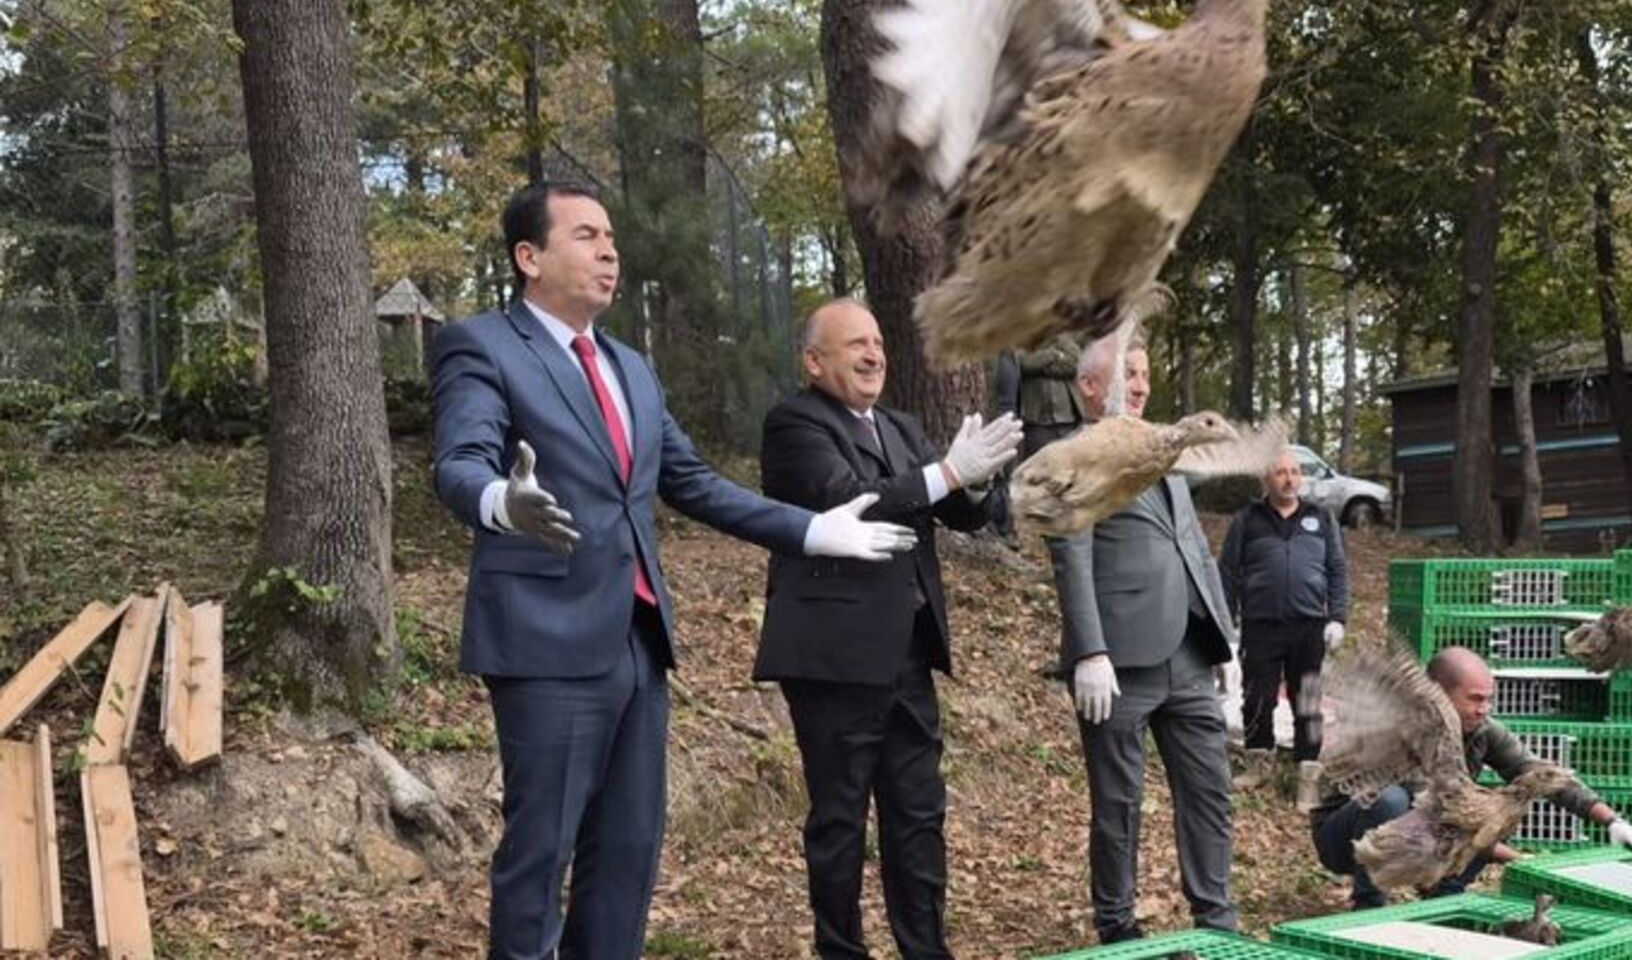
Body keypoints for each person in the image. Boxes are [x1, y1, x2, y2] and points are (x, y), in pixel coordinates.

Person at [430, 182, 917, 960]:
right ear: (529, 257)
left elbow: (694, 484)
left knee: (626, 856)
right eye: (585, 235)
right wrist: (499, 499)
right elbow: (459, 461)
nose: (609, 250)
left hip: (637, 639)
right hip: (543, 640)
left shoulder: (630, 367)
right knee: (540, 853)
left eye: (612, 236)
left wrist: (814, 531)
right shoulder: (481, 345)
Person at [755, 298, 1021, 960]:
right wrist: (947, 473)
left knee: (918, 817)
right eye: (856, 345)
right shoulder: (793, 424)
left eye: (878, 341)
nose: (875, 353)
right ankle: (841, 950)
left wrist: (979, 482)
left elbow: (958, 514)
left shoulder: (901, 427)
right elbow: (852, 498)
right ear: (815, 361)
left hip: (908, 652)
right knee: (841, 820)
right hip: (832, 659)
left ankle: (925, 950)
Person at [1045, 328, 1240, 944]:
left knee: (1210, 792)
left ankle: (1217, 919)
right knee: (1119, 805)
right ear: (1088, 386)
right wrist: (1089, 649)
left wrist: (1224, 638)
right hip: (1118, 662)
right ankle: (1118, 928)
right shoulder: (1076, 454)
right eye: (1127, 373)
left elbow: (1194, 547)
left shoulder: (1163, 448)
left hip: (1188, 652)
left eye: (1145, 374)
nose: (1140, 384)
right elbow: (1070, 553)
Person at [1310, 647, 1632, 909]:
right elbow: (1440, 819)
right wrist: (1528, 864)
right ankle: (1368, 906)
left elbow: (1535, 772)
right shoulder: (1404, 731)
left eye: (1489, 700)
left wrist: (1612, 821)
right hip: (1348, 839)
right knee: (1395, 801)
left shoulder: (1482, 730)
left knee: (1495, 813)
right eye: (1475, 699)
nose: (1484, 708)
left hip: (1419, 842)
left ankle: (1444, 902)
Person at [1219, 449, 1347, 810]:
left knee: (1307, 700)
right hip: (1261, 625)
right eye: (1281, 473)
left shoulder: (1320, 518)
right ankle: (1258, 764)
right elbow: (1227, 573)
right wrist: (1226, 627)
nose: (1289, 479)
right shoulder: (1247, 520)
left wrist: (1337, 617)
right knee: (1256, 695)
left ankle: (1308, 778)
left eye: (1295, 472)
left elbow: (1337, 569)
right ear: (1267, 479)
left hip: (1310, 627)